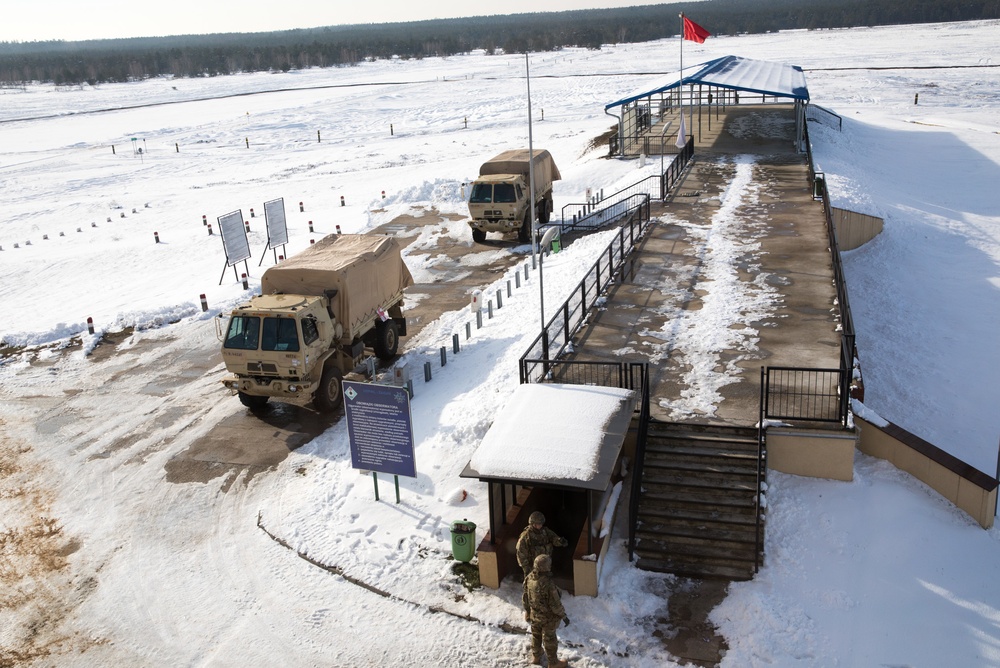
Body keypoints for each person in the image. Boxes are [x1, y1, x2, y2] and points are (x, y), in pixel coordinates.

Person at [522, 554, 570, 667]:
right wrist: (564, 616)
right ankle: (553, 663)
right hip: (548, 618)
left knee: (536, 635)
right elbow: (555, 604)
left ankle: (536, 656)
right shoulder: (548, 584)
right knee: (549, 639)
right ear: (546, 567)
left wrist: (528, 611)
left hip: (535, 615)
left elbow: (525, 597)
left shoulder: (529, 578)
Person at [515, 511, 568, 580]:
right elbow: (520, 552)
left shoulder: (545, 531)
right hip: (533, 566)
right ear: (533, 524)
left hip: (545, 564)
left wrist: (560, 541)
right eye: (538, 524)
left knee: (545, 584)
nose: (540, 525)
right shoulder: (526, 536)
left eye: (541, 523)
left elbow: (553, 538)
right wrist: (526, 567)